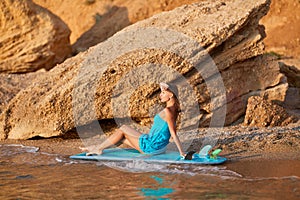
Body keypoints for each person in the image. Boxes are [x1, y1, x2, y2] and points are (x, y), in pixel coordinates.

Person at [83, 82, 186, 157]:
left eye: (163, 92)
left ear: (171, 95)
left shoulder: (168, 111)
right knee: (121, 138)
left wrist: (182, 153)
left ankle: (99, 149)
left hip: (152, 147)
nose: (160, 95)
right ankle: (97, 147)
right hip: (156, 145)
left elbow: (173, 133)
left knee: (123, 129)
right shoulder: (173, 111)